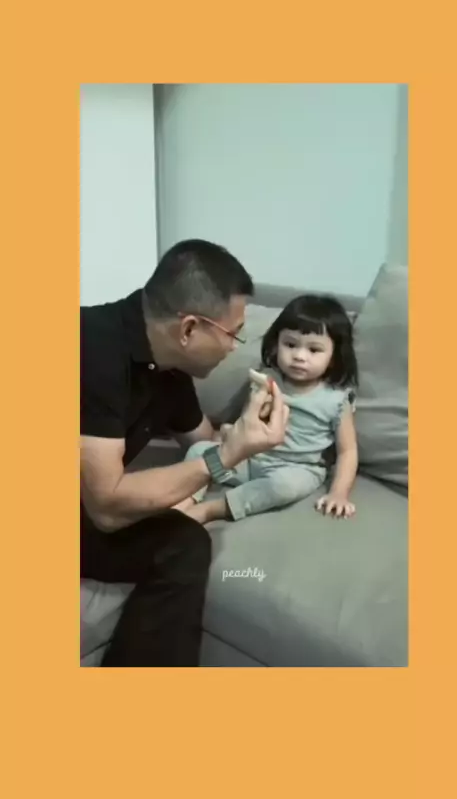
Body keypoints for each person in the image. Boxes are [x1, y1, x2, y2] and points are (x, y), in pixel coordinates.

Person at [80, 239, 289, 667]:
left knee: (185, 544)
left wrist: (243, 429)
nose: (235, 347)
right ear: (189, 328)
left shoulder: (168, 369)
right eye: (233, 334)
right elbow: (106, 507)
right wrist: (225, 455)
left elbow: (201, 438)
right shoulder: (92, 348)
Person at [183, 294, 358, 523]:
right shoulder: (266, 379)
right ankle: (184, 503)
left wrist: (339, 493)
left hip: (295, 469)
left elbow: (347, 451)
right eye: (290, 345)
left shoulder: (335, 398)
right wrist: (230, 432)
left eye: (314, 350)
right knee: (199, 451)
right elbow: (247, 423)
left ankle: (211, 510)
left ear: (334, 356)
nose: (299, 356)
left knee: (282, 487)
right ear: (276, 344)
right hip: (248, 460)